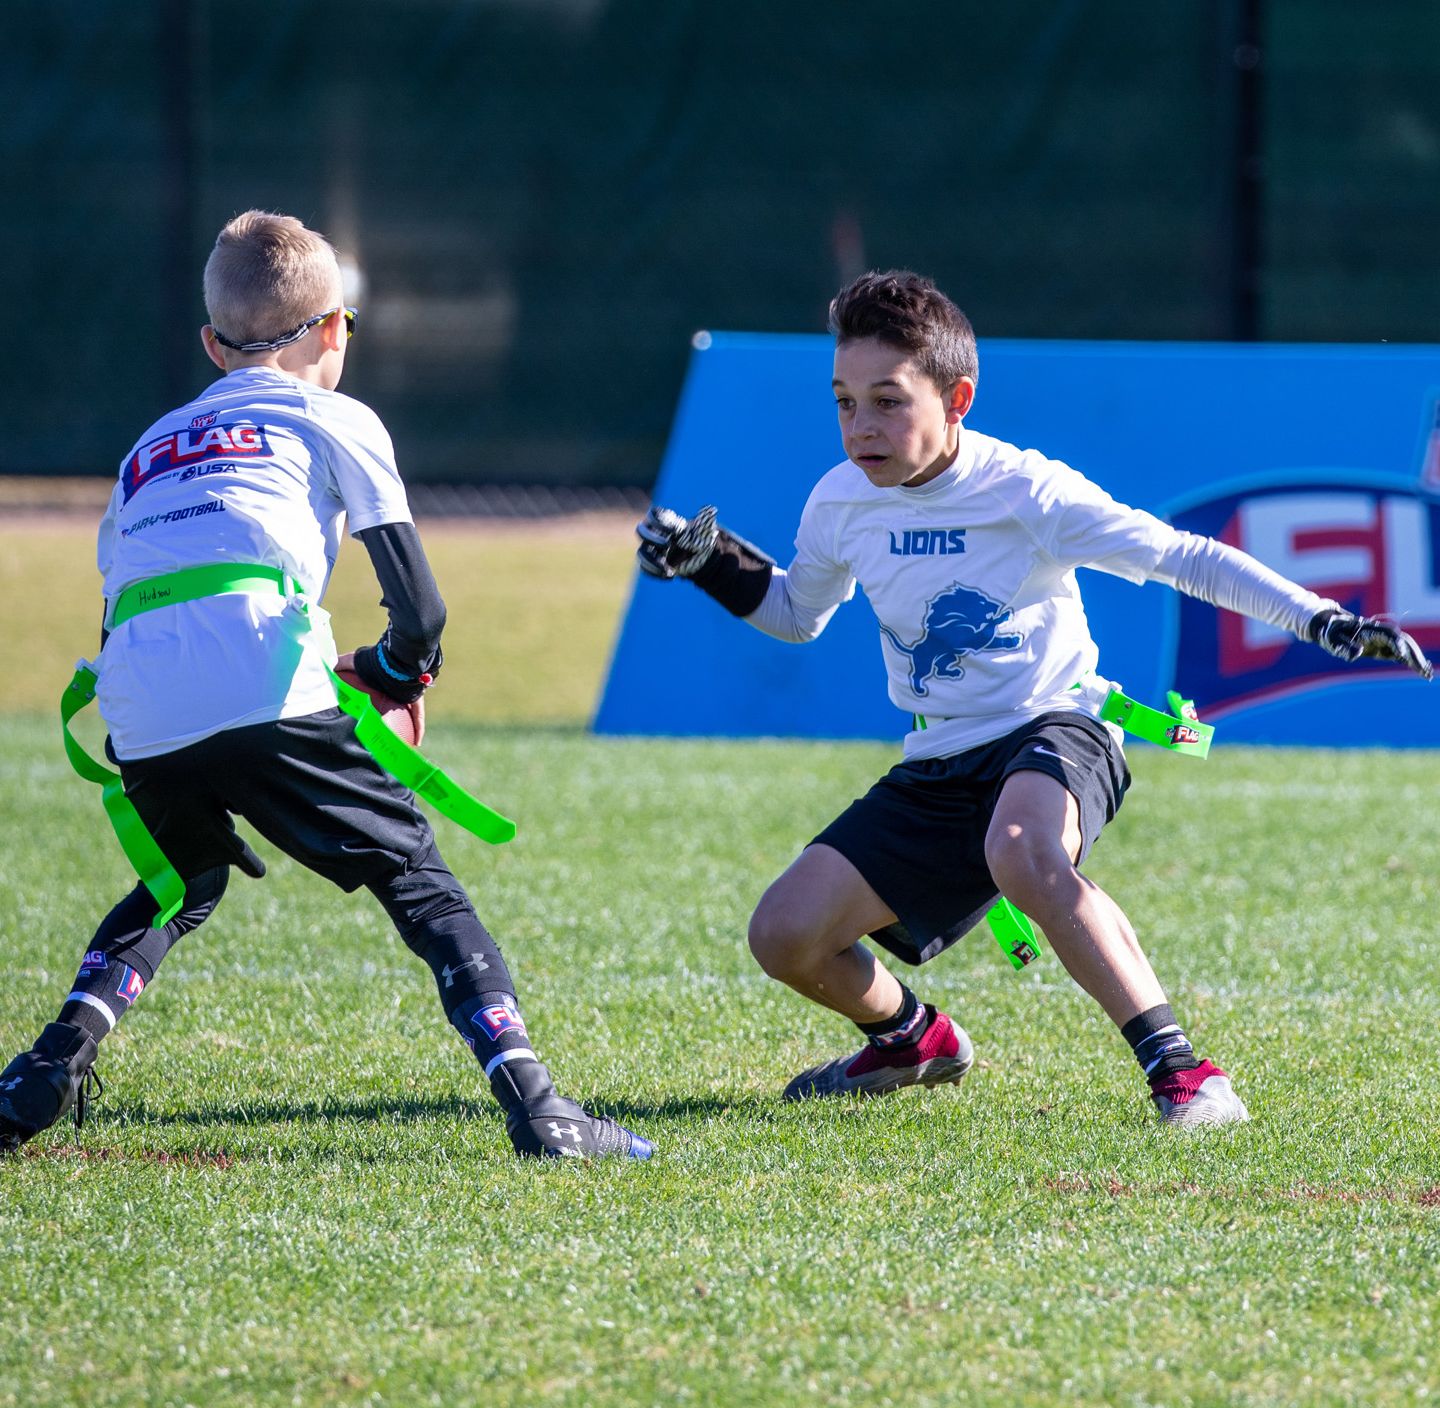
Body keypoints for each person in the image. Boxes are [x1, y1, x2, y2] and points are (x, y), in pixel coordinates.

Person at [635, 269, 1432, 1127]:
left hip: (1061, 725)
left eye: (887, 401)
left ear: (958, 398)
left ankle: (1184, 1073)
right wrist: (708, 563)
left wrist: (1323, 619)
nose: (860, 427)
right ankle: (911, 1038)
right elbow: (797, 614)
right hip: (941, 756)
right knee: (784, 936)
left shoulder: (1028, 490)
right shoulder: (840, 500)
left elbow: (1183, 558)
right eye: (843, 402)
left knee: (1023, 848)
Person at [0, 210, 651, 1162]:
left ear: (212, 346)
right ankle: (544, 1111)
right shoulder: (335, 415)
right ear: (338, 327)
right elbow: (419, 609)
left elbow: (126, 613)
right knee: (422, 887)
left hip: (134, 695)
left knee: (179, 878)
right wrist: (395, 675)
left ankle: (41, 1073)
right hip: (263, 672)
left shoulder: (149, 444)